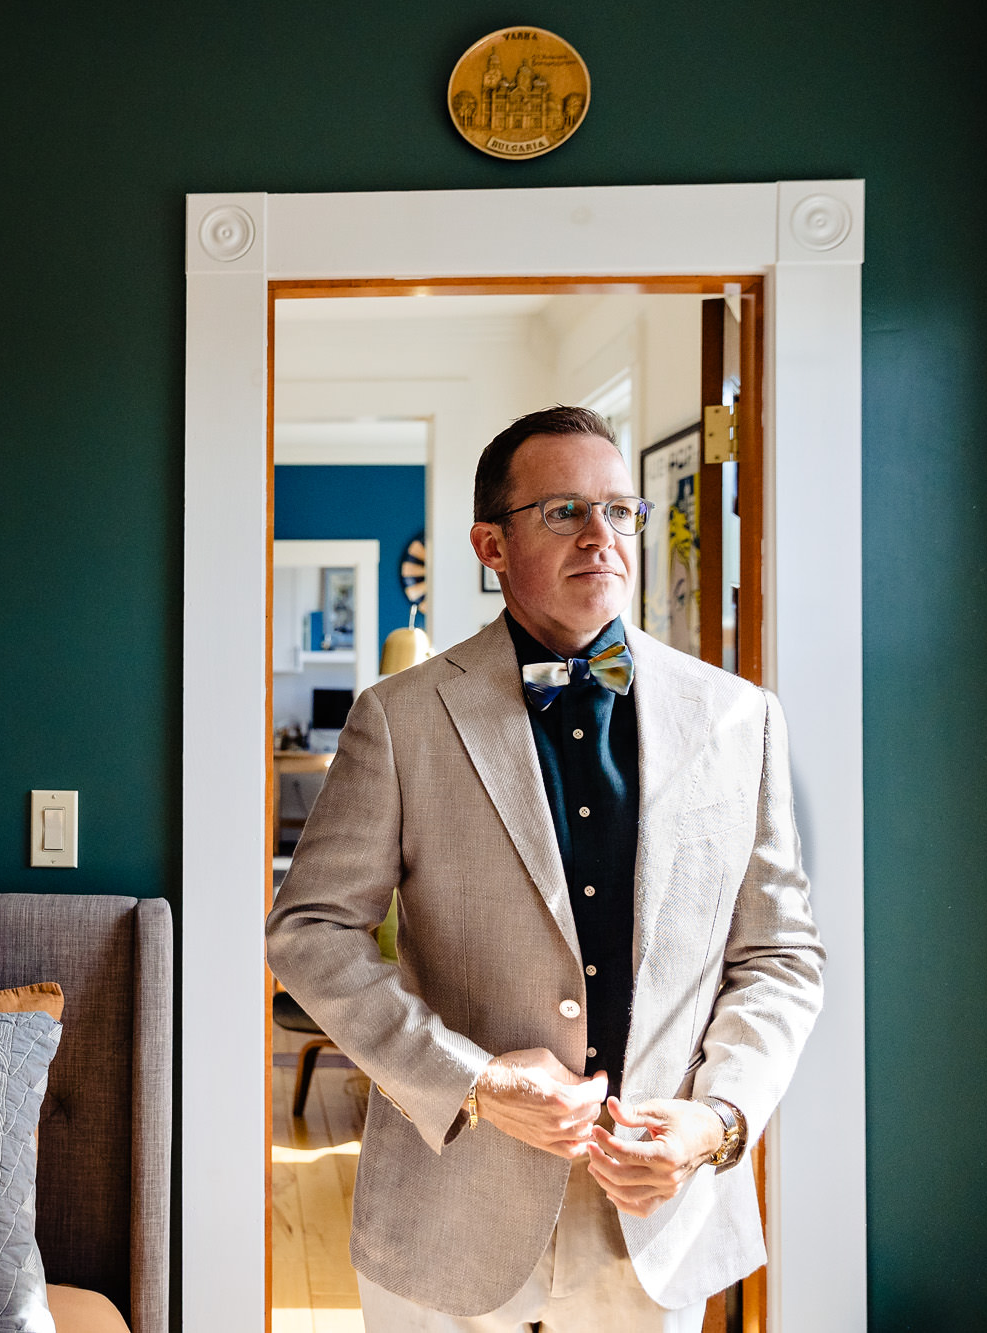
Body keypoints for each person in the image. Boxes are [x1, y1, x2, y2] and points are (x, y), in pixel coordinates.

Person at [265, 405, 824, 1331]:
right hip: (448, 1207)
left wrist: (718, 1120)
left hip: (654, 1217)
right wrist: (472, 1081)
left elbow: (781, 956)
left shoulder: (740, 718)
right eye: (564, 510)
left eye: (619, 511)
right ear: (491, 542)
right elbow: (309, 930)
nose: (600, 535)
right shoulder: (401, 717)